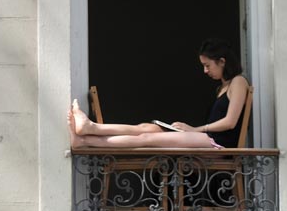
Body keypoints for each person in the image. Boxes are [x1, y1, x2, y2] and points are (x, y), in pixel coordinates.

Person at [68, 38, 250, 149]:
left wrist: (195, 129)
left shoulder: (238, 82)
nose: (205, 71)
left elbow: (230, 122)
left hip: (217, 143)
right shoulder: (222, 87)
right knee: (146, 128)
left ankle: (84, 142)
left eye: (207, 65)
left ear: (222, 61)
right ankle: (91, 128)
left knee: (146, 138)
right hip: (207, 138)